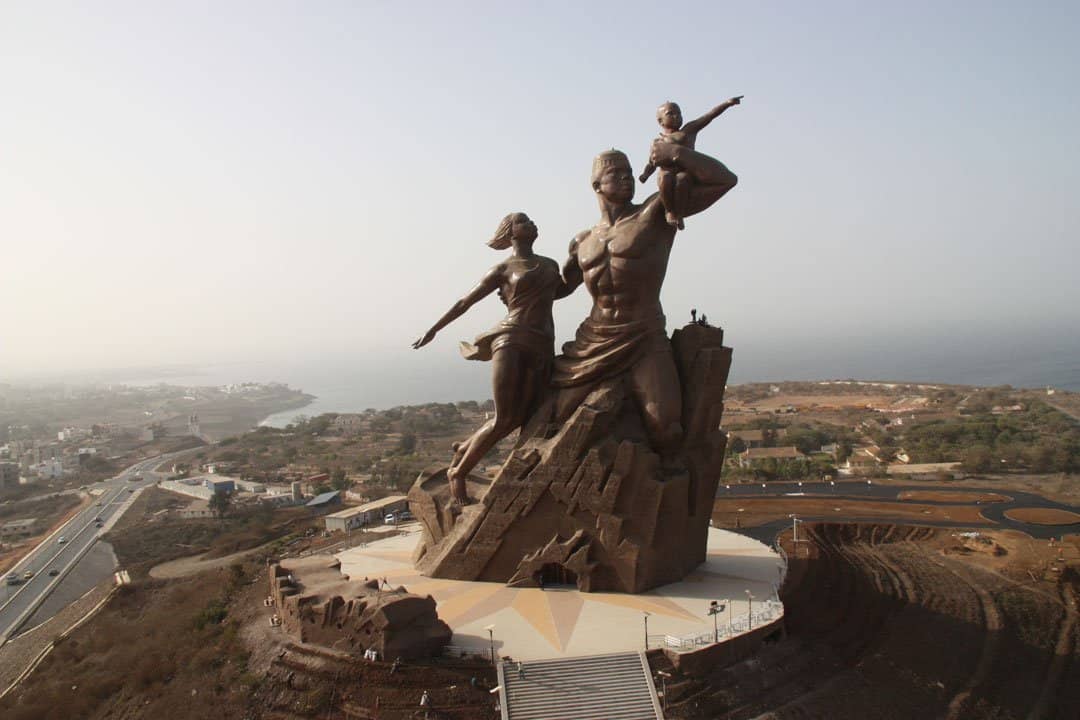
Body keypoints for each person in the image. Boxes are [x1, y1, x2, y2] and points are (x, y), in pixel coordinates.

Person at [554, 135, 739, 458]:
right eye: (617, 173)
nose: (627, 178)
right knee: (555, 419)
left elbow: (724, 180)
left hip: (643, 335)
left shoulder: (655, 212)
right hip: (593, 339)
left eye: (629, 172)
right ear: (597, 185)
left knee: (666, 429)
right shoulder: (582, 241)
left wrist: (677, 152)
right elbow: (558, 289)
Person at [413, 213, 565, 502]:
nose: (532, 223)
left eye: (532, 220)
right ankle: (457, 473)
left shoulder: (550, 265)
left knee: (525, 417)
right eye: (524, 221)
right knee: (505, 418)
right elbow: (465, 302)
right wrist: (433, 330)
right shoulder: (503, 268)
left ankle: (464, 448)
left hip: (543, 344)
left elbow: (562, 290)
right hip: (511, 339)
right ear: (510, 233)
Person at [638, 96, 742, 229]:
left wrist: (727, 104)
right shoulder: (657, 142)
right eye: (671, 114)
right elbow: (651, 162)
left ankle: (679, 213)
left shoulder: (688, 130)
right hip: (666, 173)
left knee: (683, 178)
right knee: (665, 177)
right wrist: (645, 175)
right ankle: (670, 211)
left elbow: (708, 116)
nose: (676, 116)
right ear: (660, 121)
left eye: (679, 113)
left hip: (685, 172)